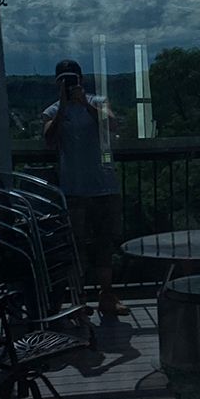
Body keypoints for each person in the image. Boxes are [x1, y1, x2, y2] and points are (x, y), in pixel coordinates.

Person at [42, 58, 127, 317]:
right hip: (73, 190)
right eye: (64, 81)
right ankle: (79, 299)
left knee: (104, 244)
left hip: (103, 187)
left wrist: (82, 103)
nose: (69, 84)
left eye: (72, 79)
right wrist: (64, 107)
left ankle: (107, 296)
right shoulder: (52, 111)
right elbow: (48, 140)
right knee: (75, 247)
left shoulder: (97, 102)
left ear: (81, 80)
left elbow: (112, 125)